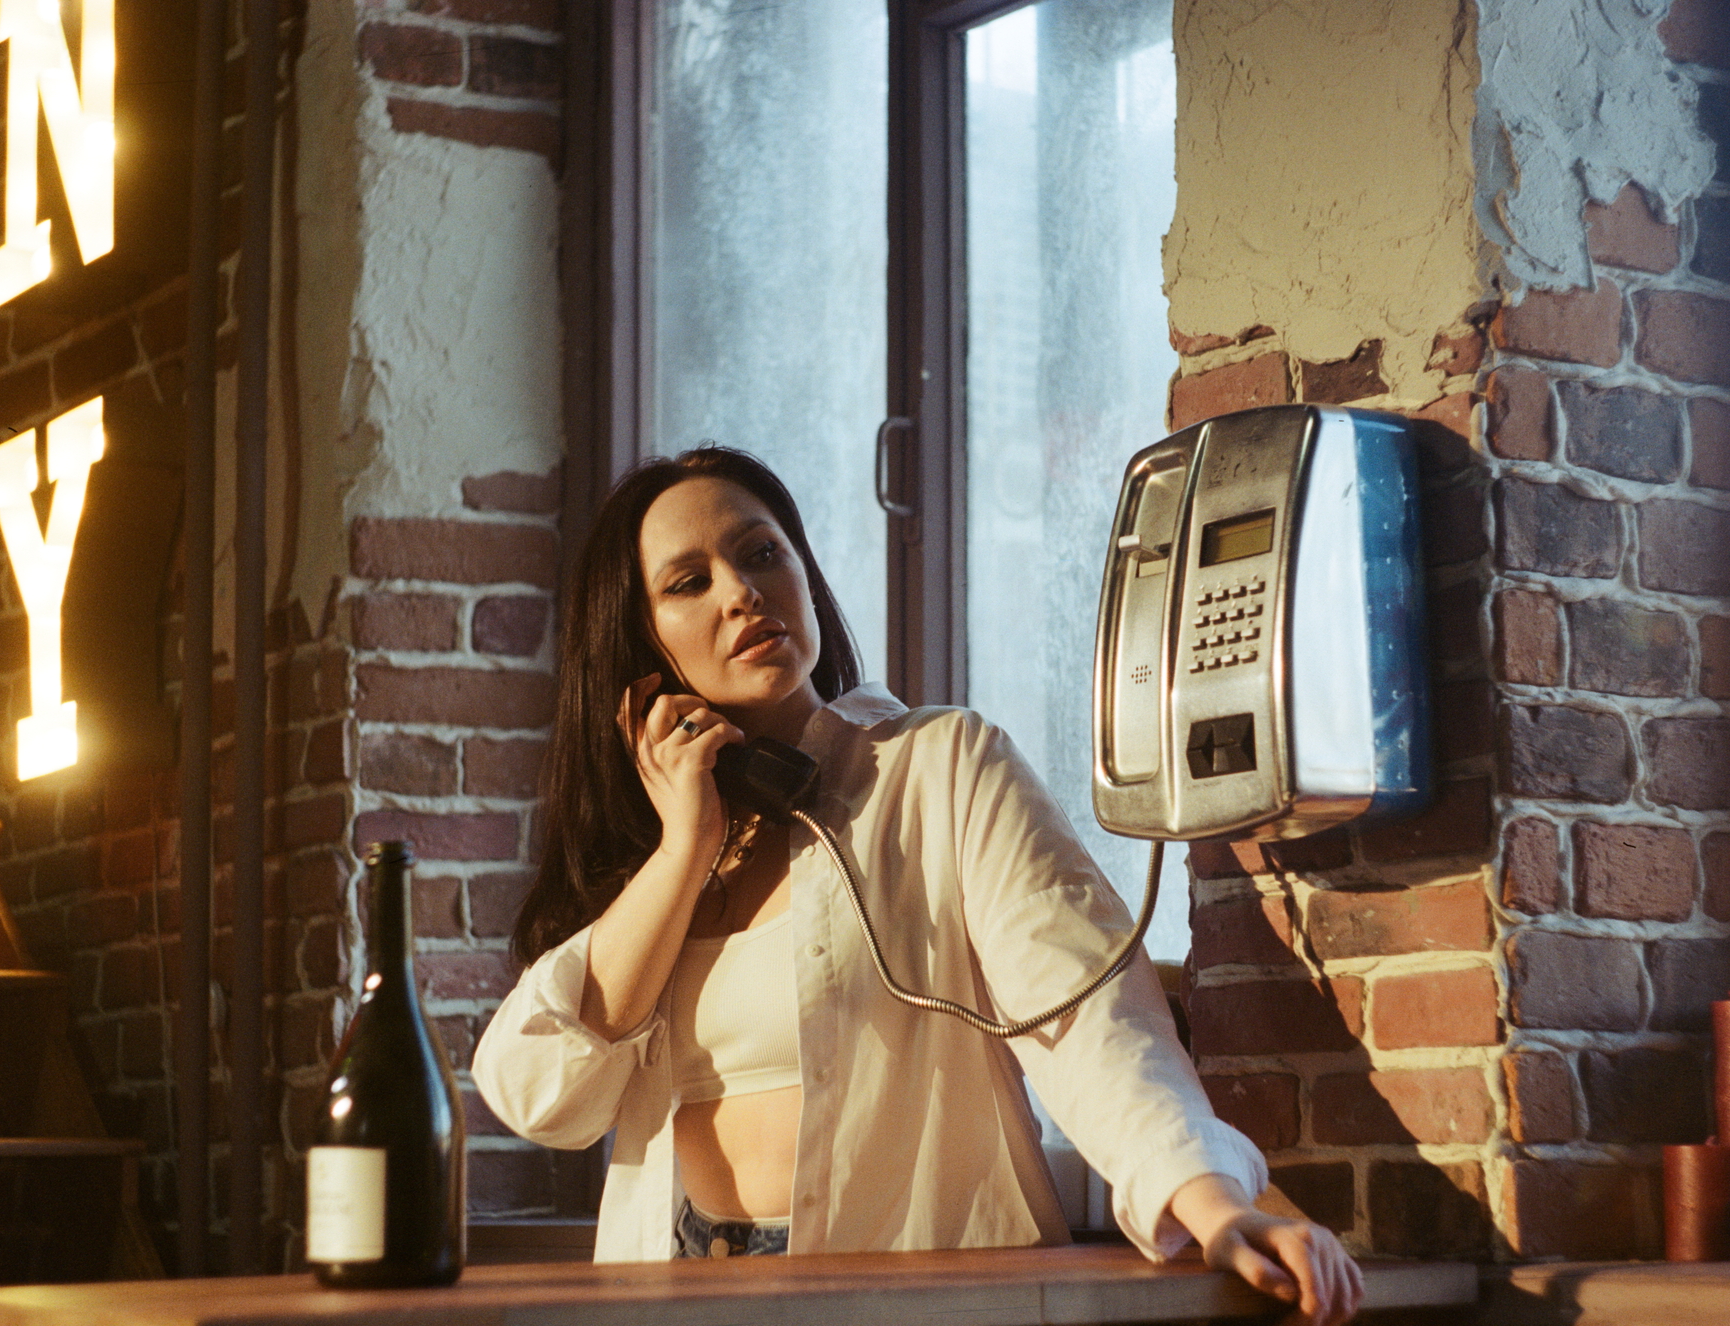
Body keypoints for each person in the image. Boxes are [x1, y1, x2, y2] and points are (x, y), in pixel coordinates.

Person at [471, 447, 1362, 1324]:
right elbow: (540, 1093)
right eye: (687, 583)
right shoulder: (657, 853)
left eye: (759, 553)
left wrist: (1211, 1204)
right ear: (641, 655)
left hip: (897, 1278)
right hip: (678, 1282)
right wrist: (683, 849)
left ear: (805, 576)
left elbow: (1086, 1014)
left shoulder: (941, 770)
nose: (741, 593)